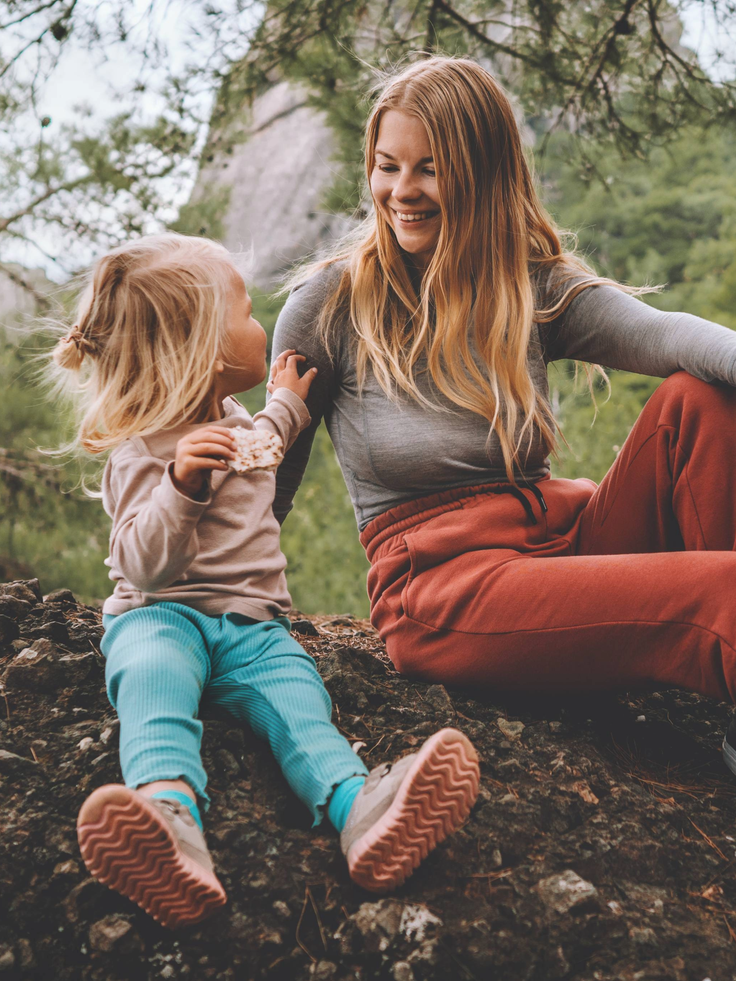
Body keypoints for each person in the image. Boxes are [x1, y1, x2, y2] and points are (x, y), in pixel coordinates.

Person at [271, 56, 736, 771]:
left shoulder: (527, 284)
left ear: (482, 173)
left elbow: (669, 335)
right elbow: (266, 488)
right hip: (445, 588)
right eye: (388, 166)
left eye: (429, 169)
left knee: (701, 398)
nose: (402, 190)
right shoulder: (328, 307)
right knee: (725, 587)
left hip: (566, 544)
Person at [47, 233, 480, 930]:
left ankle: (358, 807)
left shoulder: (233, 420)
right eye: (246, 312)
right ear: (201, 348)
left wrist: (287, 402)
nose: (262, 324)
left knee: (299, 705)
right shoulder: (142, 451)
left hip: (253, 625)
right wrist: (181, 485)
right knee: (153, 682)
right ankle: (167, 818)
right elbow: (140, 564)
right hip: (161, 614)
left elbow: (265, 448)